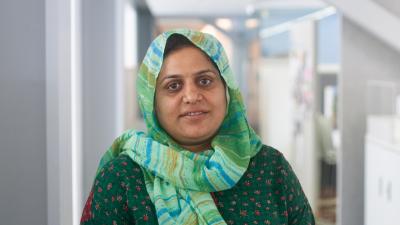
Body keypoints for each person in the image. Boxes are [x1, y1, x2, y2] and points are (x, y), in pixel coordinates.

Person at [80, 28, 315, 225]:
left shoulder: (271, 169)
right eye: (173, 86)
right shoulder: (123, 178)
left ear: (227, 90)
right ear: (152, 102)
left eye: (205, 81)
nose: (192, 96)